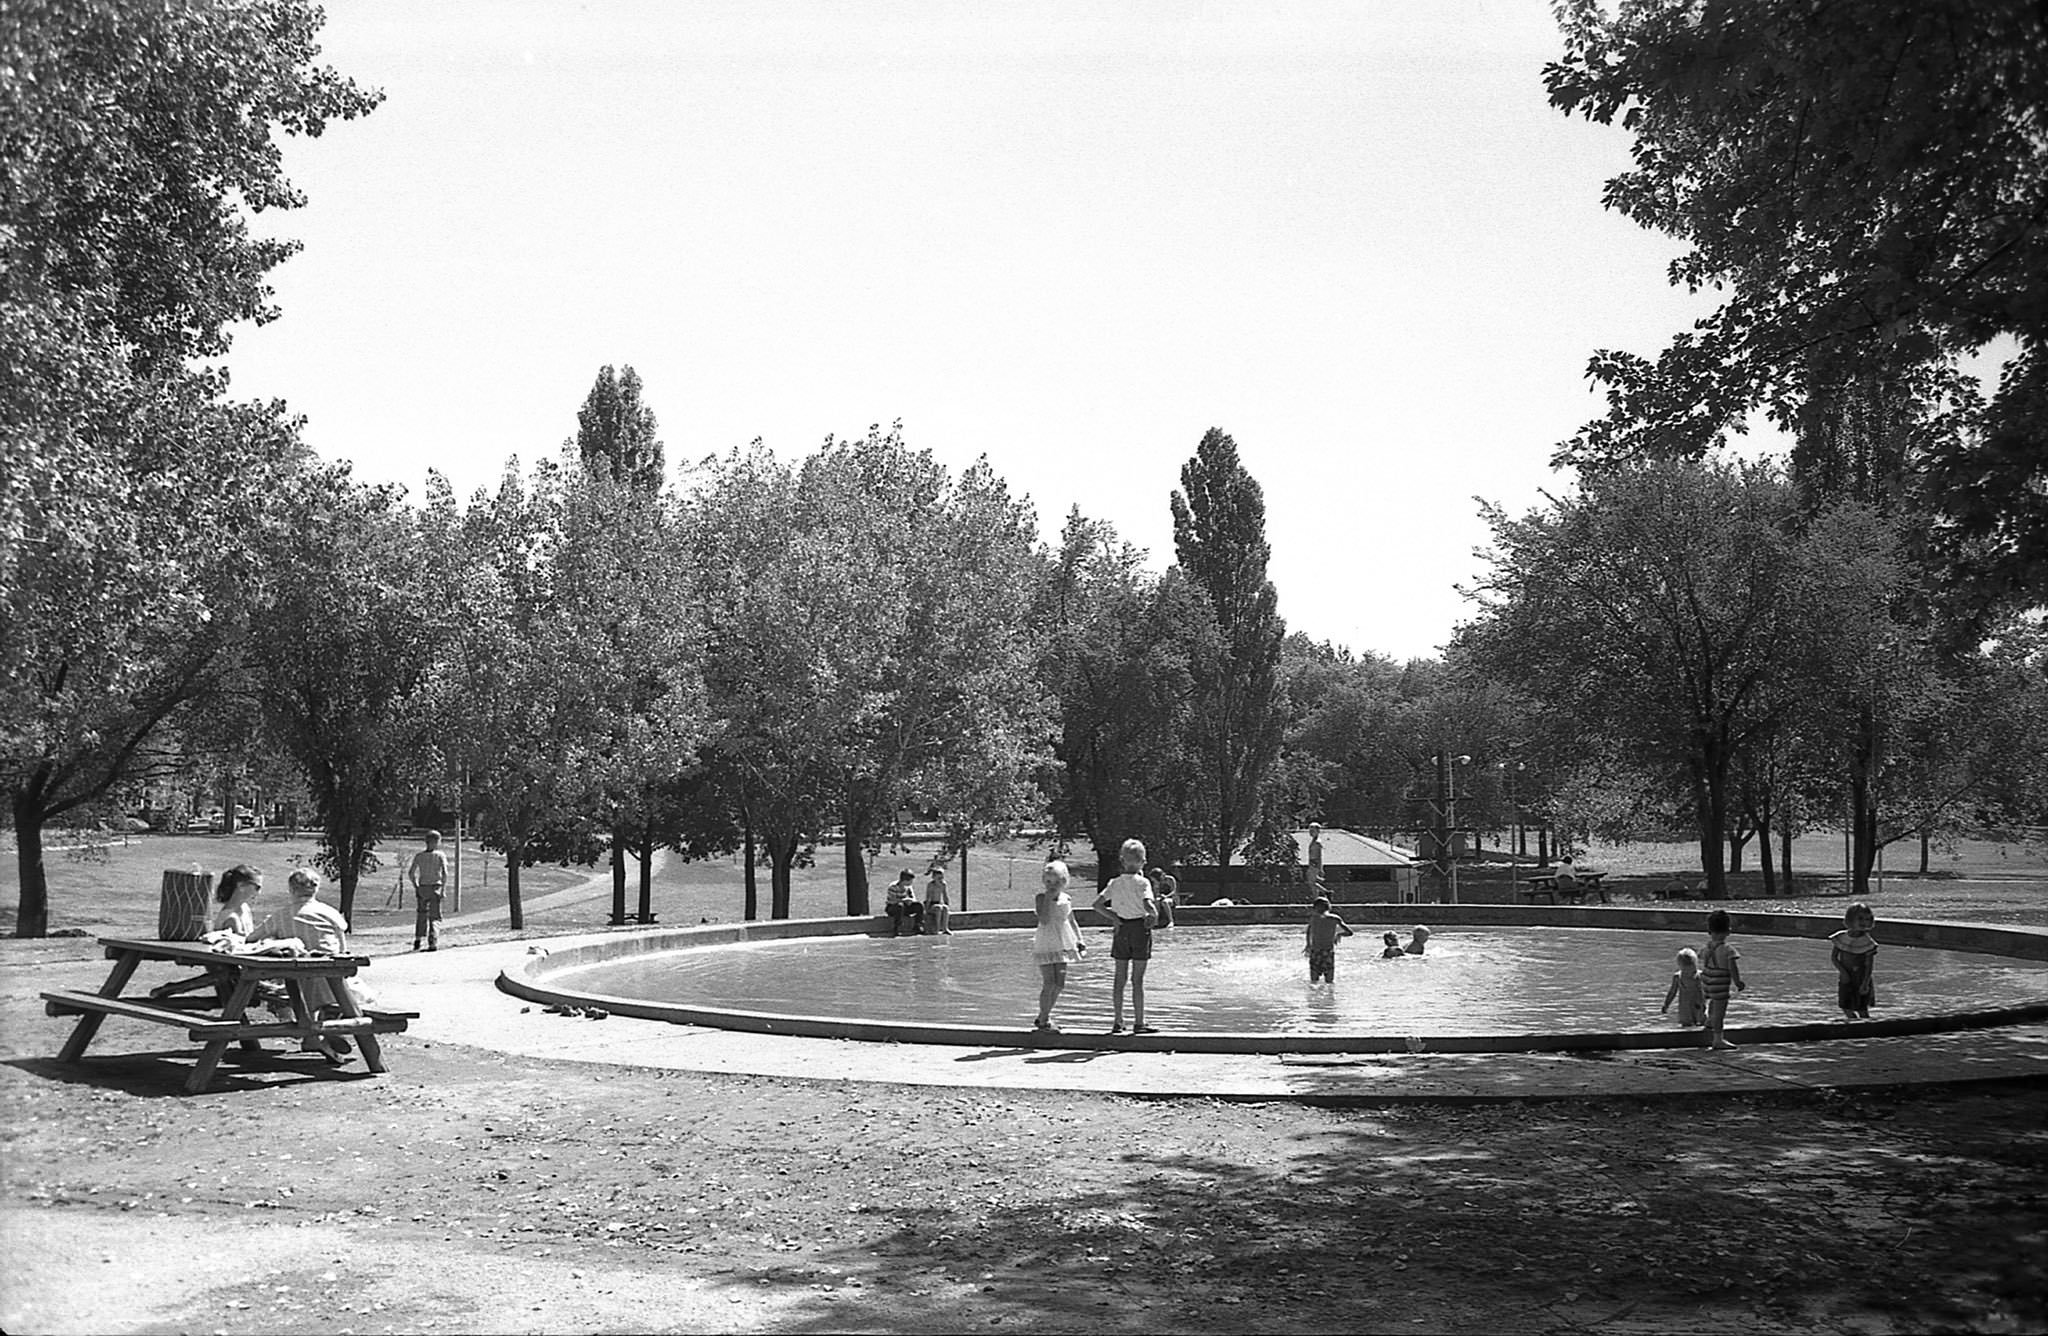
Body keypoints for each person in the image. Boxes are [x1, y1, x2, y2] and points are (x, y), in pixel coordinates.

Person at [249, 870, 365, 1061]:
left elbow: (252, 939)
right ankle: (324, 1032)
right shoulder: (329, 913)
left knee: (297, 987)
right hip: (333, 981)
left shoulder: (280, 916)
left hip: (297, 984)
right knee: (352, 993)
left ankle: (315, 1036)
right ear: (316, 889)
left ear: (290, 889)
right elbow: (343, 949)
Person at [1091, 838, 1158, 1035]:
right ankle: (1139, 1022)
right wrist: (1153, 915)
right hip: (1139, 929)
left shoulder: (1114, 883)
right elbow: (1148, 904)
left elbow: (1097, 905)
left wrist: (1114, 917)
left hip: (1121, 930)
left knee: (1119, 978)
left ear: (1122, 860)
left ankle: (1118, 1021)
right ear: (1143, 862)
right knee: (1138, 980)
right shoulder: (1143, 882)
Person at [1031, 859, 1087, 1032]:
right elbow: (1044, 919)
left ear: (1063, 882)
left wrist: (1080, 939)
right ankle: (1044, 1018)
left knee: (1059, 983)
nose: (1052, 885)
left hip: (1063, 942)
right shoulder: (1041, 898)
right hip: (1047, 942)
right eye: (1048, 881)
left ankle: (1044, 1015)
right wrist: (1048, 899)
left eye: (1056, 882)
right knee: (1049, 982)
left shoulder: (1066, 899)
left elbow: (1071, 920)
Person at [1701, 909, 1747, 1050]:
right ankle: (1718, 1039)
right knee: (1720, 1010)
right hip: (1720, 982)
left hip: (1707, 980)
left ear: (1709, 931)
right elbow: (1733, 968)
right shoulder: (1728, 950)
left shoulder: (1707, 947)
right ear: (1729, 930)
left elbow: (1700, 957)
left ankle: (1709, 1020)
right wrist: (1738, 982)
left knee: (1713, 1002)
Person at [1830, 902, 1878, 1021]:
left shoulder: (1867, 942)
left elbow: (1869, 965)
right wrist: (1843, 972)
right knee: (1845, 1005)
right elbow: (1834, 957)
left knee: (1861, 1007)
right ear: (1850, 919)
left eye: (1867, 919)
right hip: (1846, 977)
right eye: (1860, 918)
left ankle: (1865, 1027)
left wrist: (1866, 982)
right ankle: (1854, 1022)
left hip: (1860, 978)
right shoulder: (1841, 937)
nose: (1864, 922)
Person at [408, 829, 450, 952]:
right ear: (436, 842)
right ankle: (432, 941)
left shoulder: (419, 856)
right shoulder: (440, 855)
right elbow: (445, 873)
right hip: (435, 887)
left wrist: (416, 886)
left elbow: (411, 873)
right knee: (435, 916)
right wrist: (443, 890)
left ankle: (418, 939)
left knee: (421, 914)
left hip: (423, 887)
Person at [203, 864, 265, 944]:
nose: (259, 893)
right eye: (257, 888)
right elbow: (244, 943)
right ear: (241, 885)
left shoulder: (245, 908)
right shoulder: (231, 918)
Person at [1303, 896, 1354, 984]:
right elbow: (1350, 932)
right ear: (1329, 907)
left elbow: (1308, 932)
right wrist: (1339, 934)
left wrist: (1308, 944)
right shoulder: (1335, 918)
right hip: (1328, 952)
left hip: (1315, 951)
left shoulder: (1314, 918)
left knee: (1314, 981)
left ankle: (1314, 997)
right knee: (1329, 981)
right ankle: (1329, 996)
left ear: (1315, 908)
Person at [1662, 948, 1706, 1028]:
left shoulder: (1700, 976)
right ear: (1680, 966)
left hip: (1698, 1005)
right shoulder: (1678, 977)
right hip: (1685, 1007)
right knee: (1686, 1024)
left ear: (1696, 964)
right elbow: (1672, 992)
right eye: (1686, 971)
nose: (1689, 973)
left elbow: (1708, 989)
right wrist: (1666, 1004)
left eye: (1693, 969)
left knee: (1701, 1022)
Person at [883, 870, 924, 936]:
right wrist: (903, 900)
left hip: (904, 906)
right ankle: (897, 927)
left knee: (919, 905)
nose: (911, 882)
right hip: (893, 907)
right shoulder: (893, 886)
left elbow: (913, 897)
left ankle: (918, 925)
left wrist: (911, 901)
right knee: (900, 906)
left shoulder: (908, 887)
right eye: (910, 880)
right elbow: (892, 900)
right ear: (905, 880)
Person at [922, 866, 952, 935]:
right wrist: (926, 909)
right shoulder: (931, 885)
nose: (940, 880)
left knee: (945, 908)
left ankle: (945, 928)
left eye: (942, 878)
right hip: (931, 904)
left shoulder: (943, 884)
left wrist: (947, 905)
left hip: (938, 903)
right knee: (938, 908)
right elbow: (928, 897)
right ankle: (937, 928)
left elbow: (945, 896)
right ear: (933, 877)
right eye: (939, 878)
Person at [1306, 822, 1324, 890]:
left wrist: (1320, 868)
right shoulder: (1313, 841)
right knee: (1312, 882)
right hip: (1312, 863)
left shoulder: (1317, 842)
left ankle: (1326, 892)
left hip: (1315, 863)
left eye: (1312, 831)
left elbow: (1319, 856)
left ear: (1317, 831)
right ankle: (1317, 897)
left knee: (1312, 882)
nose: (1310, 832)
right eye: (1310, 831)